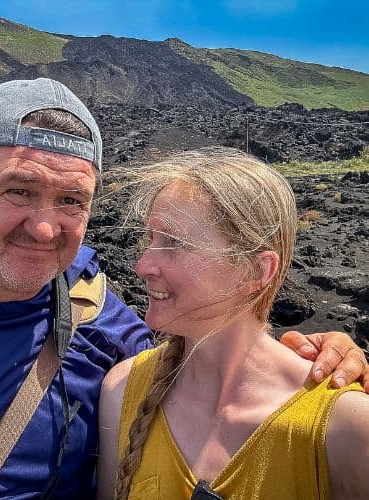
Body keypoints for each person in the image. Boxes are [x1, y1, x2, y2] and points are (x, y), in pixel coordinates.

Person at [0, 80, 366, 500]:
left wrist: (324, 358)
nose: (45, 229)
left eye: (71, 200)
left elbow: (214, 347)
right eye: (19, 190)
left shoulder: (107, 331)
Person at [97, 149, 369, 500]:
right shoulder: (122, 392)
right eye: (150, 239)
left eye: (175, 243)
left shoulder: (344, 428)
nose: (143, 265)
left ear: (258, 270)